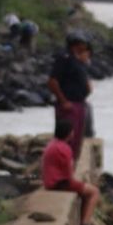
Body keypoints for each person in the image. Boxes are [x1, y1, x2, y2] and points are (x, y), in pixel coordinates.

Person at [42, 118, 101, 225]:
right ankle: (85, 224)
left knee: (86, 190)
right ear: (68, 133)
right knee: (94, 192)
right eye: (72, 131)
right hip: (60, 183)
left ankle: (83, 221)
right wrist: (77, 184)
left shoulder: (52, 144)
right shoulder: (64, 149)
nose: (73, 133)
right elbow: (68, 175)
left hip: (49, 181)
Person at [48, 32, 93, 161]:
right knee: (66, 139)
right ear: (76, 44)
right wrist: (63, 101)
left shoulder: (78, 60)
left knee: (76, 141)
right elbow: (52, 81)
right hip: (69, 104)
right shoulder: (64, 58)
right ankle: (62, 168)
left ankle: (70, 168)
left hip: (79, 103)